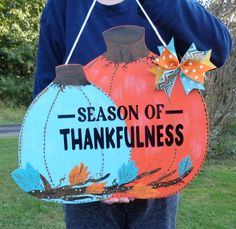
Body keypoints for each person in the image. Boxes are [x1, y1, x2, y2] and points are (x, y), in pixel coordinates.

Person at [34, 0, 232, 228]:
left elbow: (218, 49)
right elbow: (45, 100)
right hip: (85, 174)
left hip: (158, 171)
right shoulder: (64, 6)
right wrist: (77, 176)